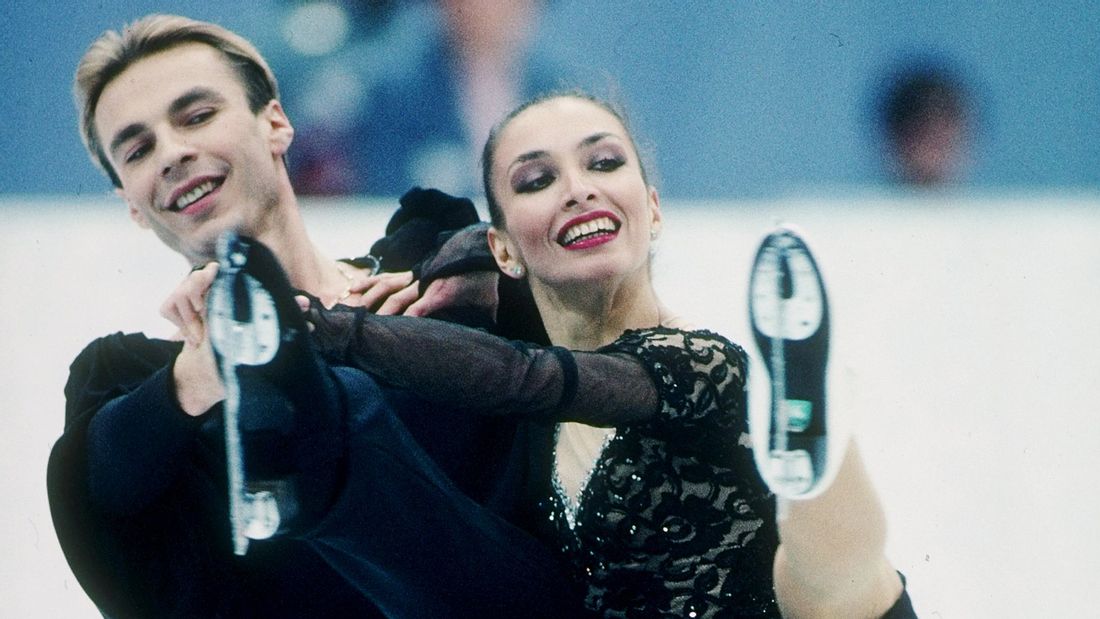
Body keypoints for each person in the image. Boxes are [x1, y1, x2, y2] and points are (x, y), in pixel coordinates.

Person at [293, 92, 917, 617]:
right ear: (506, 250)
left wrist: (329, 330)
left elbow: (530, 377)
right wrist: (457, 262)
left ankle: (812, 432)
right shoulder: (522, 392)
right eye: (537, 180)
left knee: (827, 587)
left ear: (653, 209)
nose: (578, 189)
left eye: (604, 162)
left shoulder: (704, 364)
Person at [47, 14, 583, 618]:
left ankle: (310, 405)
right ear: (131, 202)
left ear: (275, 123)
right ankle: (301, 402)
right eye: (138, 150)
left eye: (196, 116)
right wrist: (193, 382)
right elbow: (99, 490)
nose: (172, 153)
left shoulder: (434, 281)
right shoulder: (143, 399)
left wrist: (492, 267)